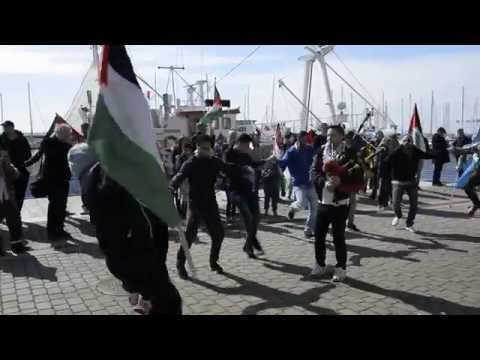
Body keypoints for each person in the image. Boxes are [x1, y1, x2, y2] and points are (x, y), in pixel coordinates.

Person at [84, 162, 182, 315]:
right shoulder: (119, 202)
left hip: (145, 265)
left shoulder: (103, 179)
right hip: (141, 268)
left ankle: (147, 301)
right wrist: (134, 286)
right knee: (170, 303)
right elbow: (120, 249)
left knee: (168, 301)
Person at [170, 135, 232, 279]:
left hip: (210, 203)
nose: (205, 149)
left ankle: (213, 261)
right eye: (202, 146)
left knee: (219, 234)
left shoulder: (214, 161)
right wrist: (171, 187)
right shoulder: (191, 162)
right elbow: (178, 176)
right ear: (197, 147)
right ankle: (180, 264)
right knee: (189, 236)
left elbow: (229, 169)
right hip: (195, 204)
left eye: (208, 146)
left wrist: (244, 171)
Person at [310, 125, 363, 282]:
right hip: (323, 201)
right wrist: (323, 182)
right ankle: (320, 265)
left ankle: (341, 268)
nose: (328, 138)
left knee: (338, 237)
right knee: (319, 237)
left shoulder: (349, 153)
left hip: (340, 203)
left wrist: (341, 181)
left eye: (332, 135)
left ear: (341, 137)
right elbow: (313, 172)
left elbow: (357, 175)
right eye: (327, 136)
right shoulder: (321, 151)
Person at [25, 124, 73, 242]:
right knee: (56, 206)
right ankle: (53, 231)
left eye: (69, 134)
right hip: (52, 180)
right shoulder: (52, 143)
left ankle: (59, 229)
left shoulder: (64, 144)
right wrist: (26, 163)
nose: (69, 135)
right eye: (67, 134)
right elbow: (39, 155)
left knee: (60, 206)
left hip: (63, 179)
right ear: (59, 133)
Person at [225, 133, 266, 258]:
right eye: (246, 145)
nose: (248, 147)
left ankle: (248, 245)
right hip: (236, 191)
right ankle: (251, 244)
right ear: (239, 143)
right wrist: (243, 170)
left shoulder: (246, 155)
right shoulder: (229, 154)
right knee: (248, 218)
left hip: (250, 191)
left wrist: (265, 162)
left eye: (249, 145)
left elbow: (253, 165)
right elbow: (228, 169)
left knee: (256, 218)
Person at [384, 135, 435, 232]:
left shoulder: (415, 150)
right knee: (395, 203)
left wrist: (439, 154)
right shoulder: (397, 151)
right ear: (401, 142)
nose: (407, 142)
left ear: (412, 142)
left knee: (414, 204)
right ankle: (398, 215)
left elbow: (426, 155)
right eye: (405, 140)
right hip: (398, 182)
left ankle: (409, 224)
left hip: (411, 181)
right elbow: (386, 161)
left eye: (409, 140)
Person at [278, 131, 318, 238]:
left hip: (310, 183)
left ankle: (308, 230)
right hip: (298, 183)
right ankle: (293, 209)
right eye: (303, 140)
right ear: (298, 139)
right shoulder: (291, 151)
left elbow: (315, 157)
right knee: (301, 203)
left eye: (306, 140)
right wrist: (276, 163)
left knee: (314, 207)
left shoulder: (309, 149)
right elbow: (283, 163)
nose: (305, 142)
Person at [0, 120, 32, 213]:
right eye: (4, 127)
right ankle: (8, 216)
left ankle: (17, 214)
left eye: (6, 127)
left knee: (20, 194)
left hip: (22, 169)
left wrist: (25, 164)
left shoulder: (22, 138)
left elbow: (28, 153)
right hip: (6, 171)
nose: (4, 129)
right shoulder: (1, 139)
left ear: (12, 127)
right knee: (6, 195)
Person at [67, 123, 97, 215]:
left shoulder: (88, 137)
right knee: (88, 188)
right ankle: (88, 206)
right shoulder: (90, 136)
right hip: (88, 167)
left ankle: (87, 206)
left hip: (85, 168)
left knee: (85, 188)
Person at [0, 149, 25, 254]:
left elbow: (15, 176)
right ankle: (12, 247)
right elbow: (15, 175)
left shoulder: (3, 163)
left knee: (14, 221)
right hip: (5, 198)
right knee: (13, 221)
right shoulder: (2, 163)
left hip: (6, 197)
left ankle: (16, 246)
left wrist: (7, 165)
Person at [173, 141, 194, 219]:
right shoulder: (180, 157)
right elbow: (178, 168)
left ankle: (186, 214)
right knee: (184, 198)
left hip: (189, 180)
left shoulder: (192, 156)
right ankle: (183, 214)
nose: (187, 151)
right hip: (183, 180)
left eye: (188, 150)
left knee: (188, 197)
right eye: (186, 149)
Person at [223, 131, 238, 225]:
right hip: (229, 178)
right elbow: (225, 164)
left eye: (235, 137)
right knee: (230, 200)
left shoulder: (237, 151)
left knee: (235, 200)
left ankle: (233, 217)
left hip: (236, 178)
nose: (234, 139)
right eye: (233, 137)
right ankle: (228, 217)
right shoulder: (227, 150)